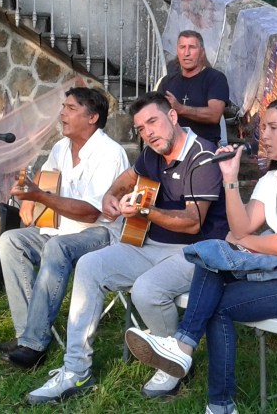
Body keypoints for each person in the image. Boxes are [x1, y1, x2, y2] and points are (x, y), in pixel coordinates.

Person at [124, 98, 277, 414]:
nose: (264, 135)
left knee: (218, 294)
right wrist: (229, 178)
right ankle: (189, 357)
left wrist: (244, 242)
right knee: (212, 256)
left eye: (273, 127)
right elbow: (240, 227)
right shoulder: (272, 178)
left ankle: (209, 388)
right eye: (262, 128)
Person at [25, 92, 228, 405]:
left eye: (153, 122)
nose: (148, 133)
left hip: (196, 252)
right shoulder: (152, 153)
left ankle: (173, 361)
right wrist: (111, 194)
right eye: (141, 128)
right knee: (90, 266)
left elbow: (192, 222)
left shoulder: (203, 156)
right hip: (149, 244)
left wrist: (145, 211)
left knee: (147, 290)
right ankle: (76, 370)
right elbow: (127, 178)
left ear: (173, 116)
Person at [0, 87, 129, 370]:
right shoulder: (60, 148)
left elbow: (92, 212)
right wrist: (29, 198)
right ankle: (26, 335)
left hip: (101, 233)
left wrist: (39, 197)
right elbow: (45, 177)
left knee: (57, 247)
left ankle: (34, 345)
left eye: (71, 108)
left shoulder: (110, 153)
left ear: (92, 117)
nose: (62, 114)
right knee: (10, 240)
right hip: (60, 229)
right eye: (63, 107)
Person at [157, 30, 230, 145]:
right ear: (177, 51)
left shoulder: (215, 78)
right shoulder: (167, 82)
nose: (186, 53)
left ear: (202, 52)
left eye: (192, 47)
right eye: (182, 47)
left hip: (204, 147)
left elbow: (214, 115)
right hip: (172, 147)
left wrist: (181, 109)